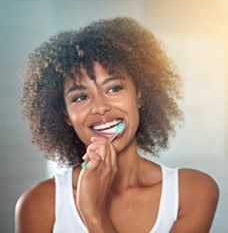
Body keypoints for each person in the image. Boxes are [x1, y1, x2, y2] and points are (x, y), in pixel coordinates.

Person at [15, 17, 219, 233]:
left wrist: (93, 212)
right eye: (80, 97)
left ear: (139, 94)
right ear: (65, 114)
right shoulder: (38, 204)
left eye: (113, 89)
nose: (100, 107)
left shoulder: (192, 191)